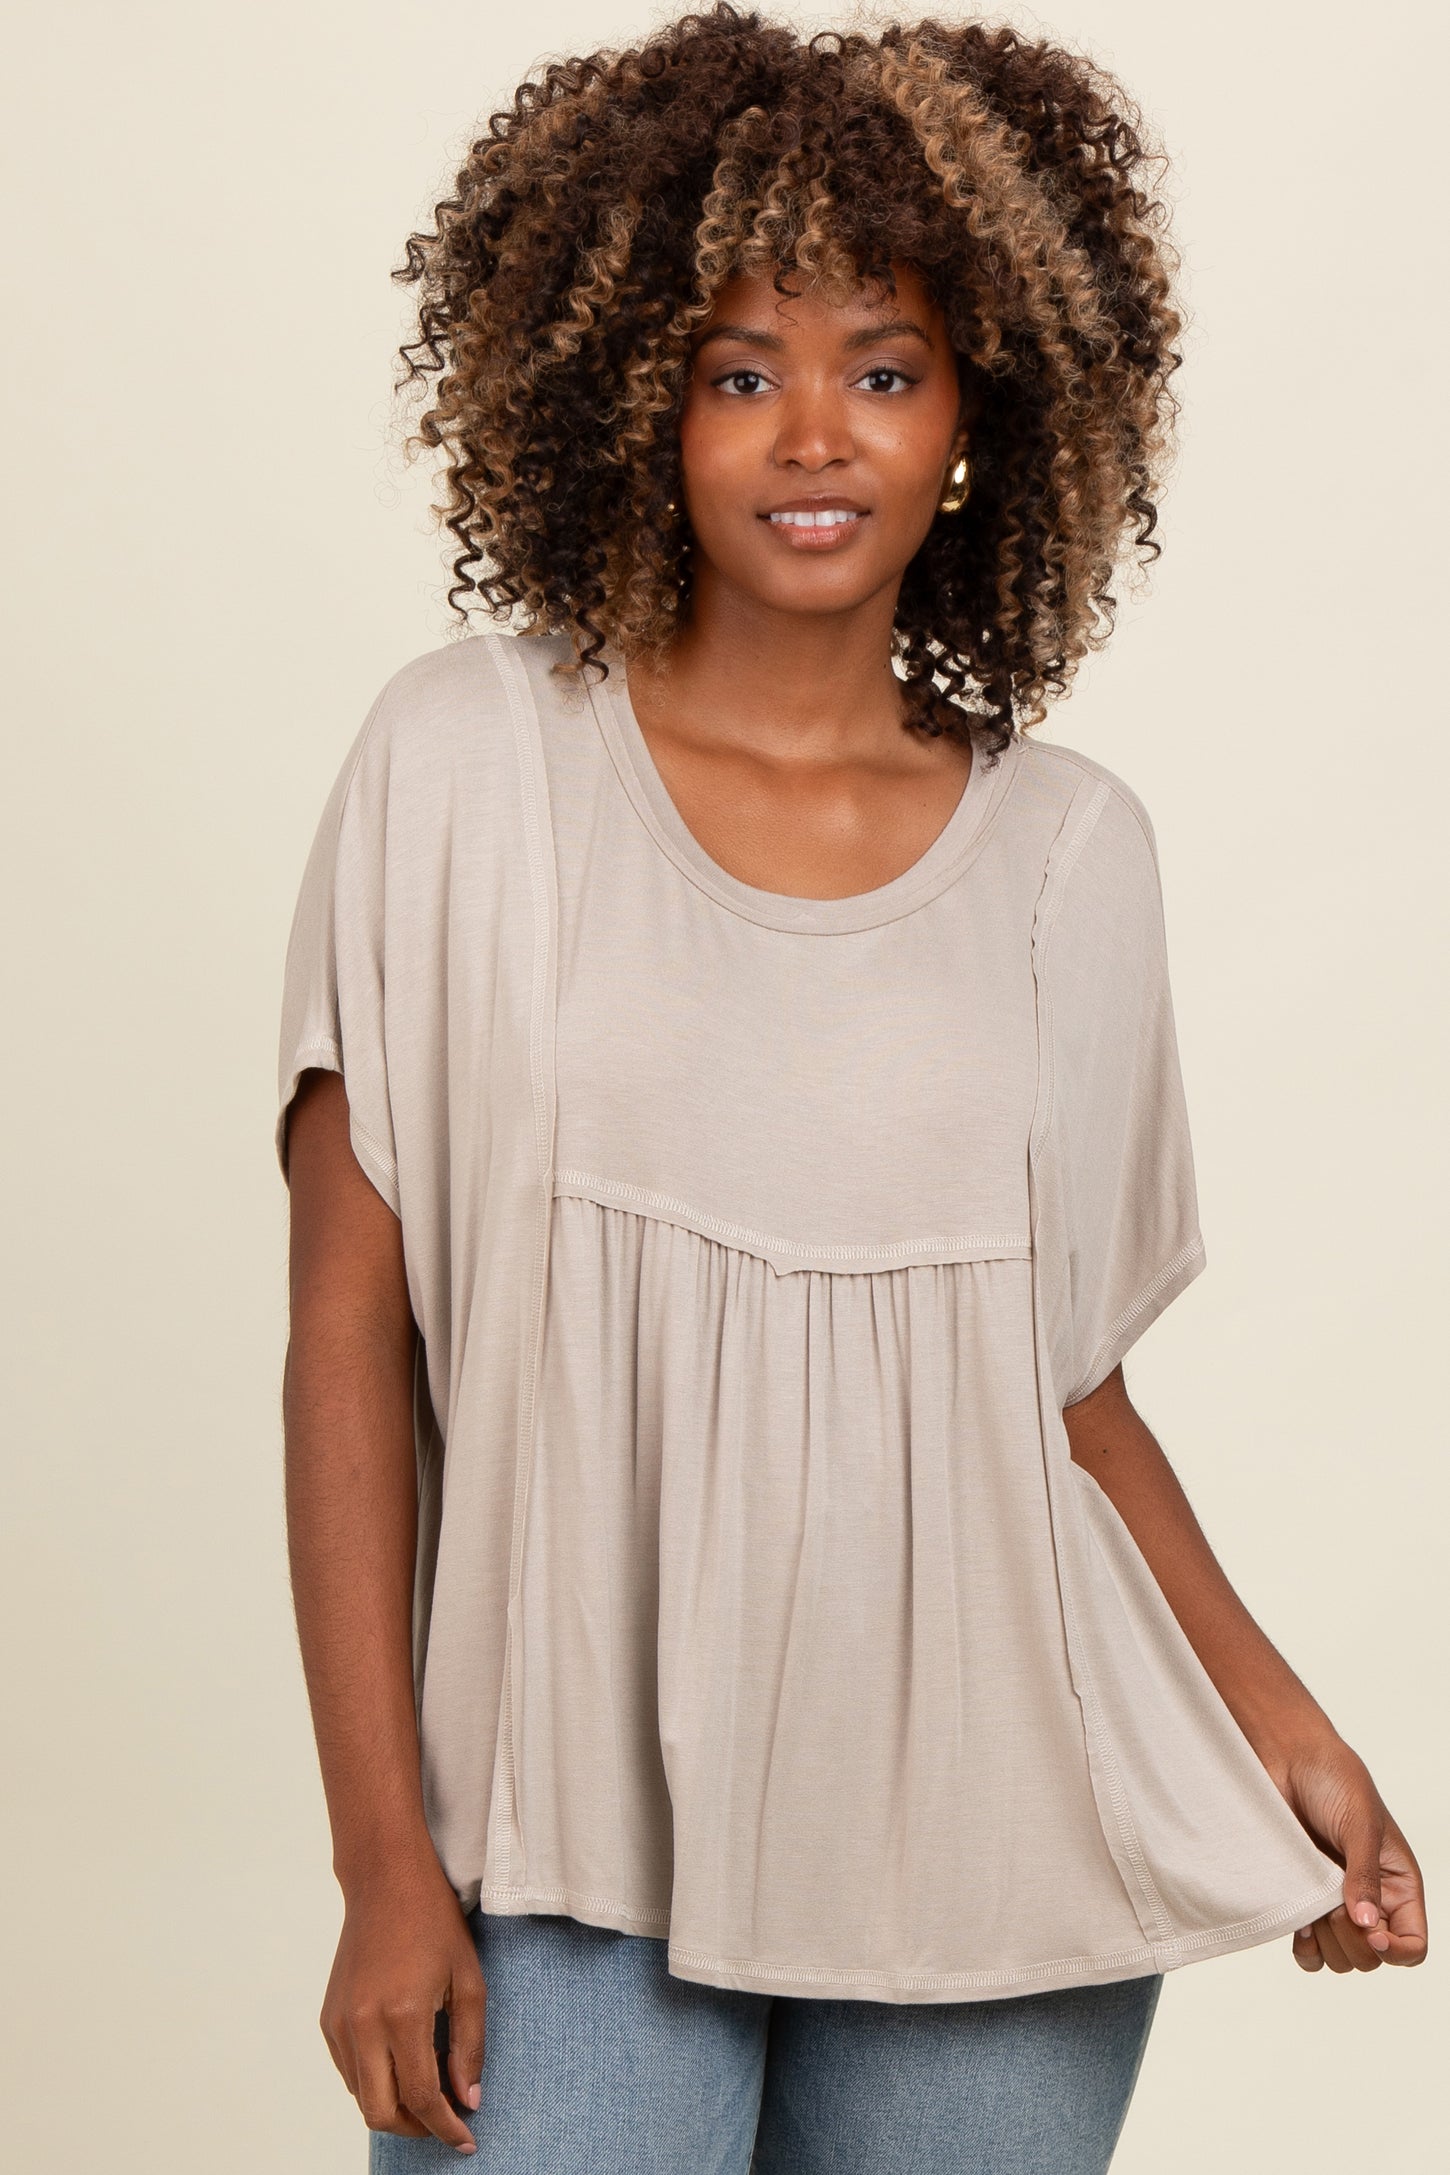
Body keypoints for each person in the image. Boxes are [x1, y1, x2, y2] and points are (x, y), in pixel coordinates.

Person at [275, 8, 1428, 2170]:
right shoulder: (466, 767)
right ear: (633, 401)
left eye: (883, 371)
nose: (813, 435)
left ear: (980, 411)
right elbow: (347, 1326)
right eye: (739, 373)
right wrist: (379, 1859)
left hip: (999, 1848)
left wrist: (1282, 1723)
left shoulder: (1069, 859)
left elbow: (1061, 1399)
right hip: (558, 1839)